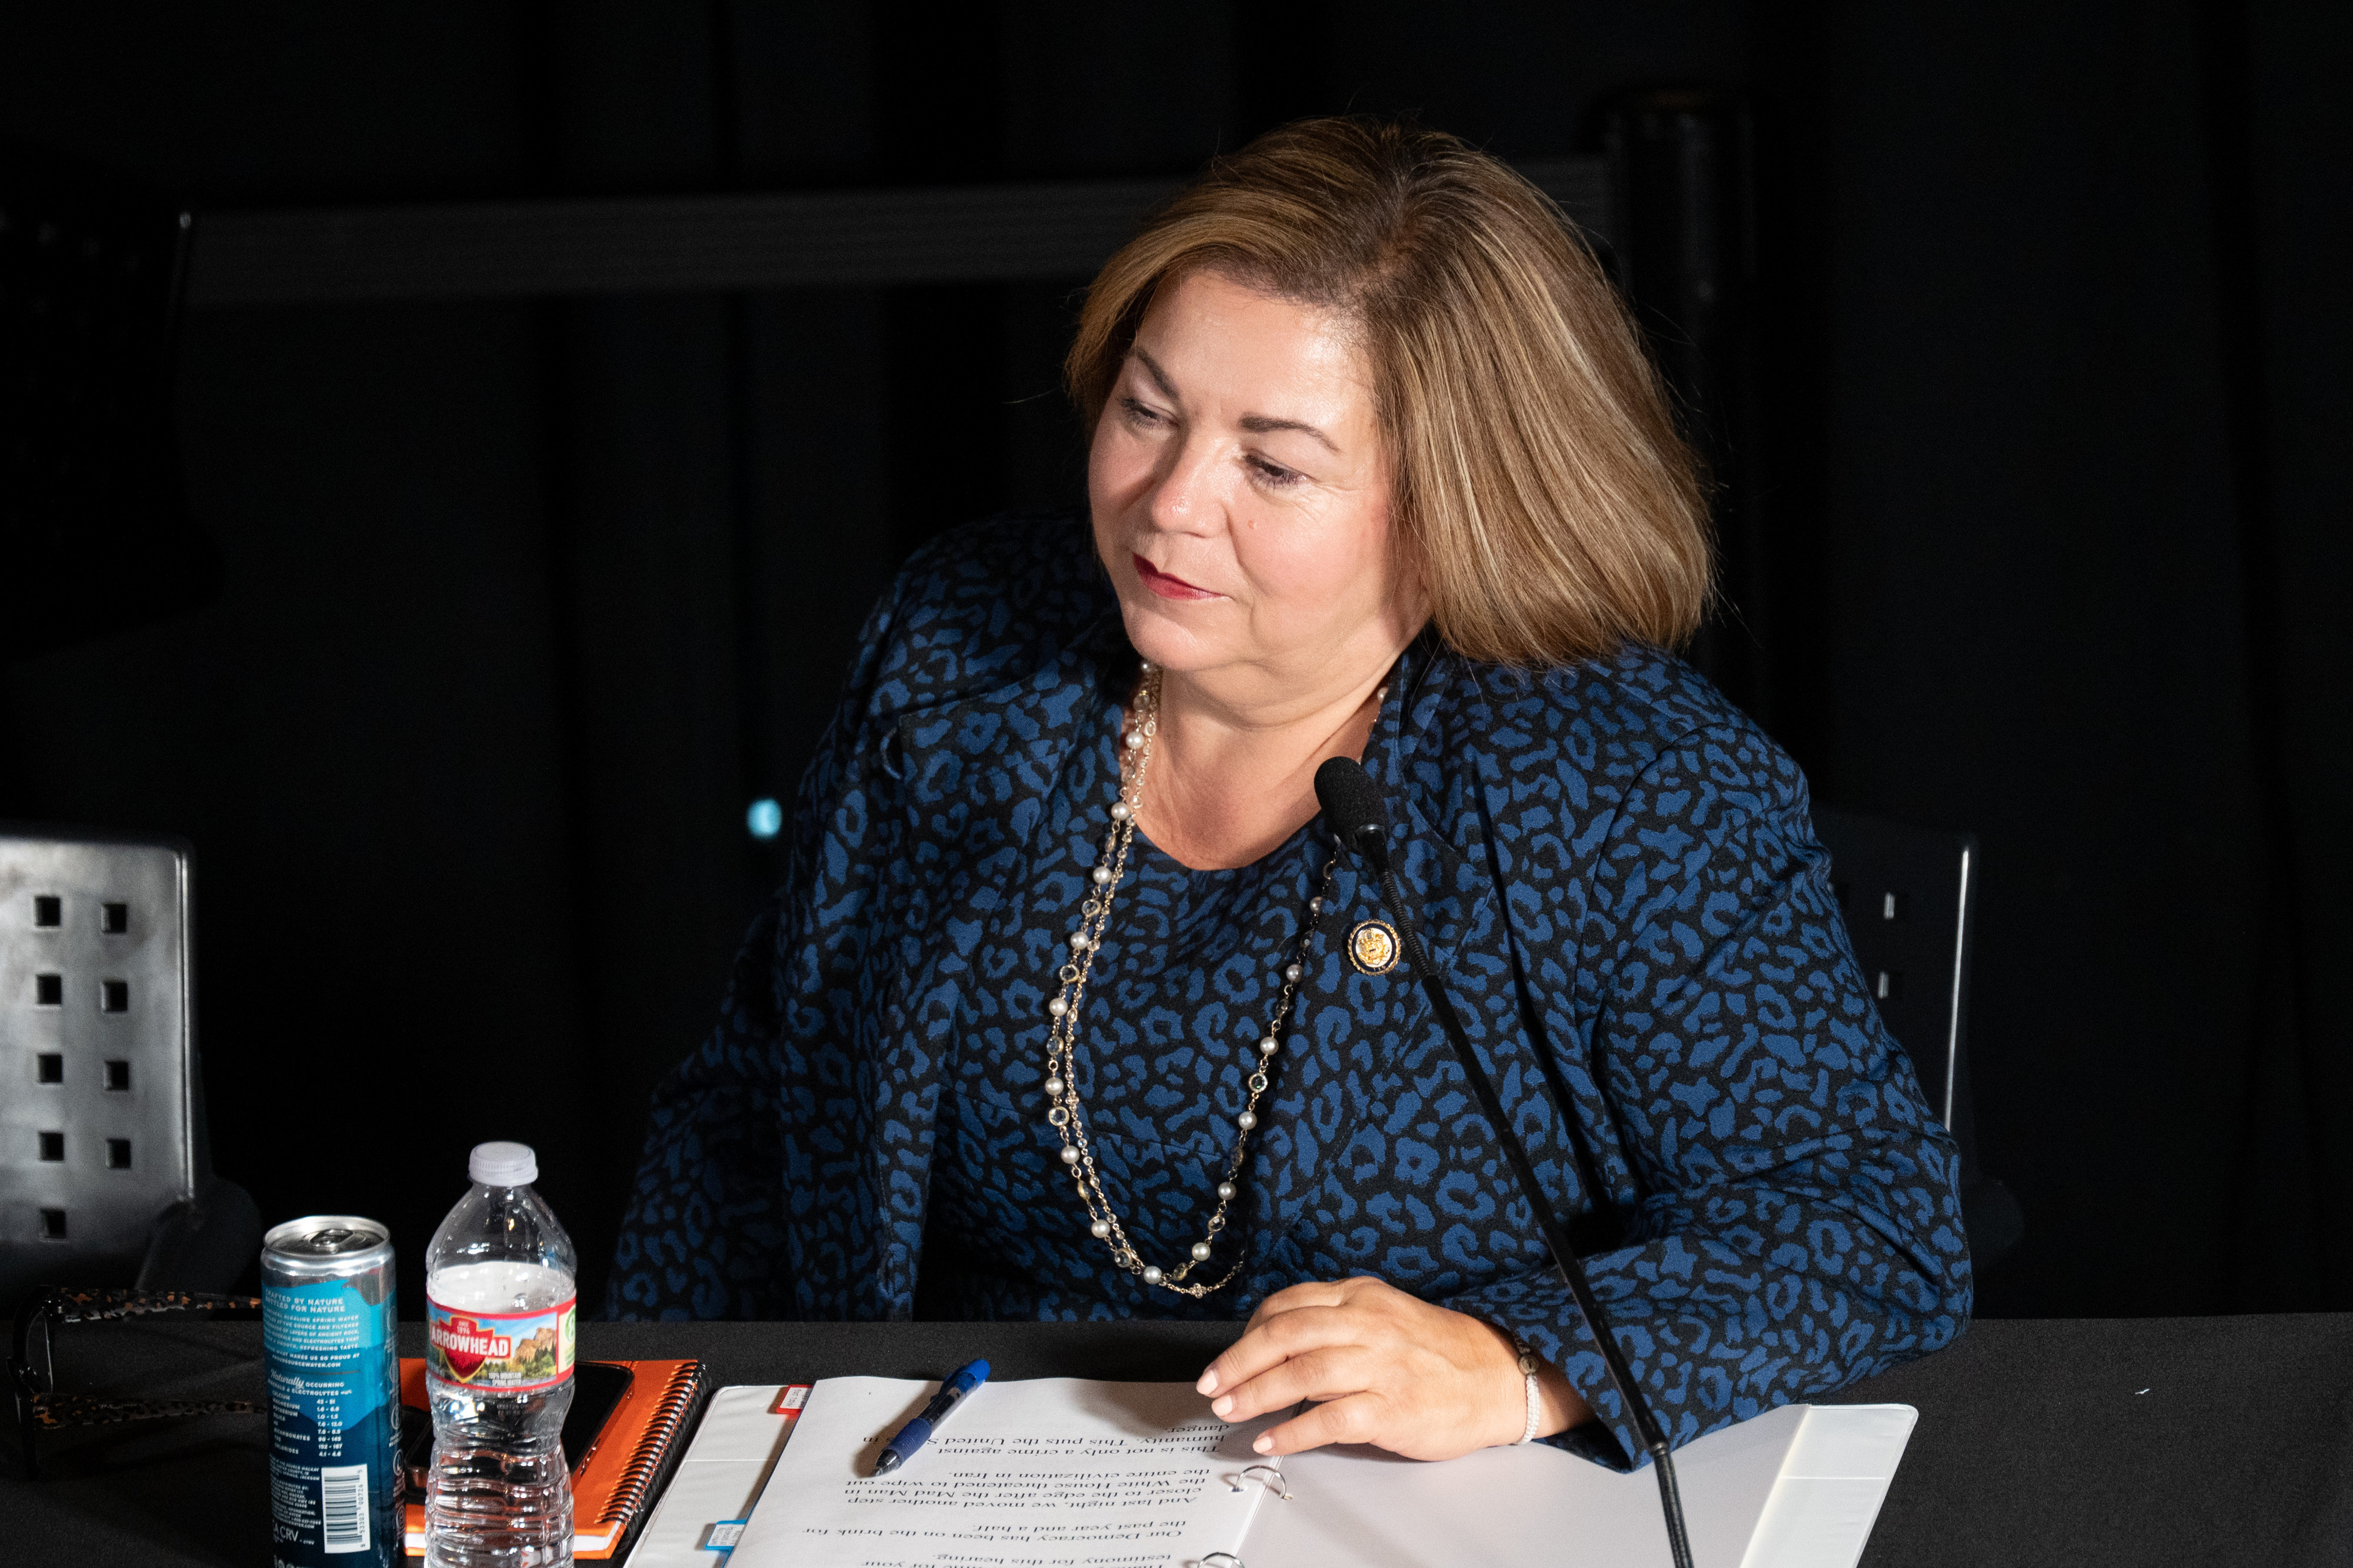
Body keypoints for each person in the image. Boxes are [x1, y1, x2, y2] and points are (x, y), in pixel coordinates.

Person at [608, 115, 1971, 1471]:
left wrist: (1517, 1363)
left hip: (1408, 1515)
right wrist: (641, 1457)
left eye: (1271, 464)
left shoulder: (1622, 780)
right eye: (1148, 410)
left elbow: (1874, 1225)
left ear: (1454, 511)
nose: (1171, 503)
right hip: (945, 1476)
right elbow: (746, 1112)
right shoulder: (961, 644)